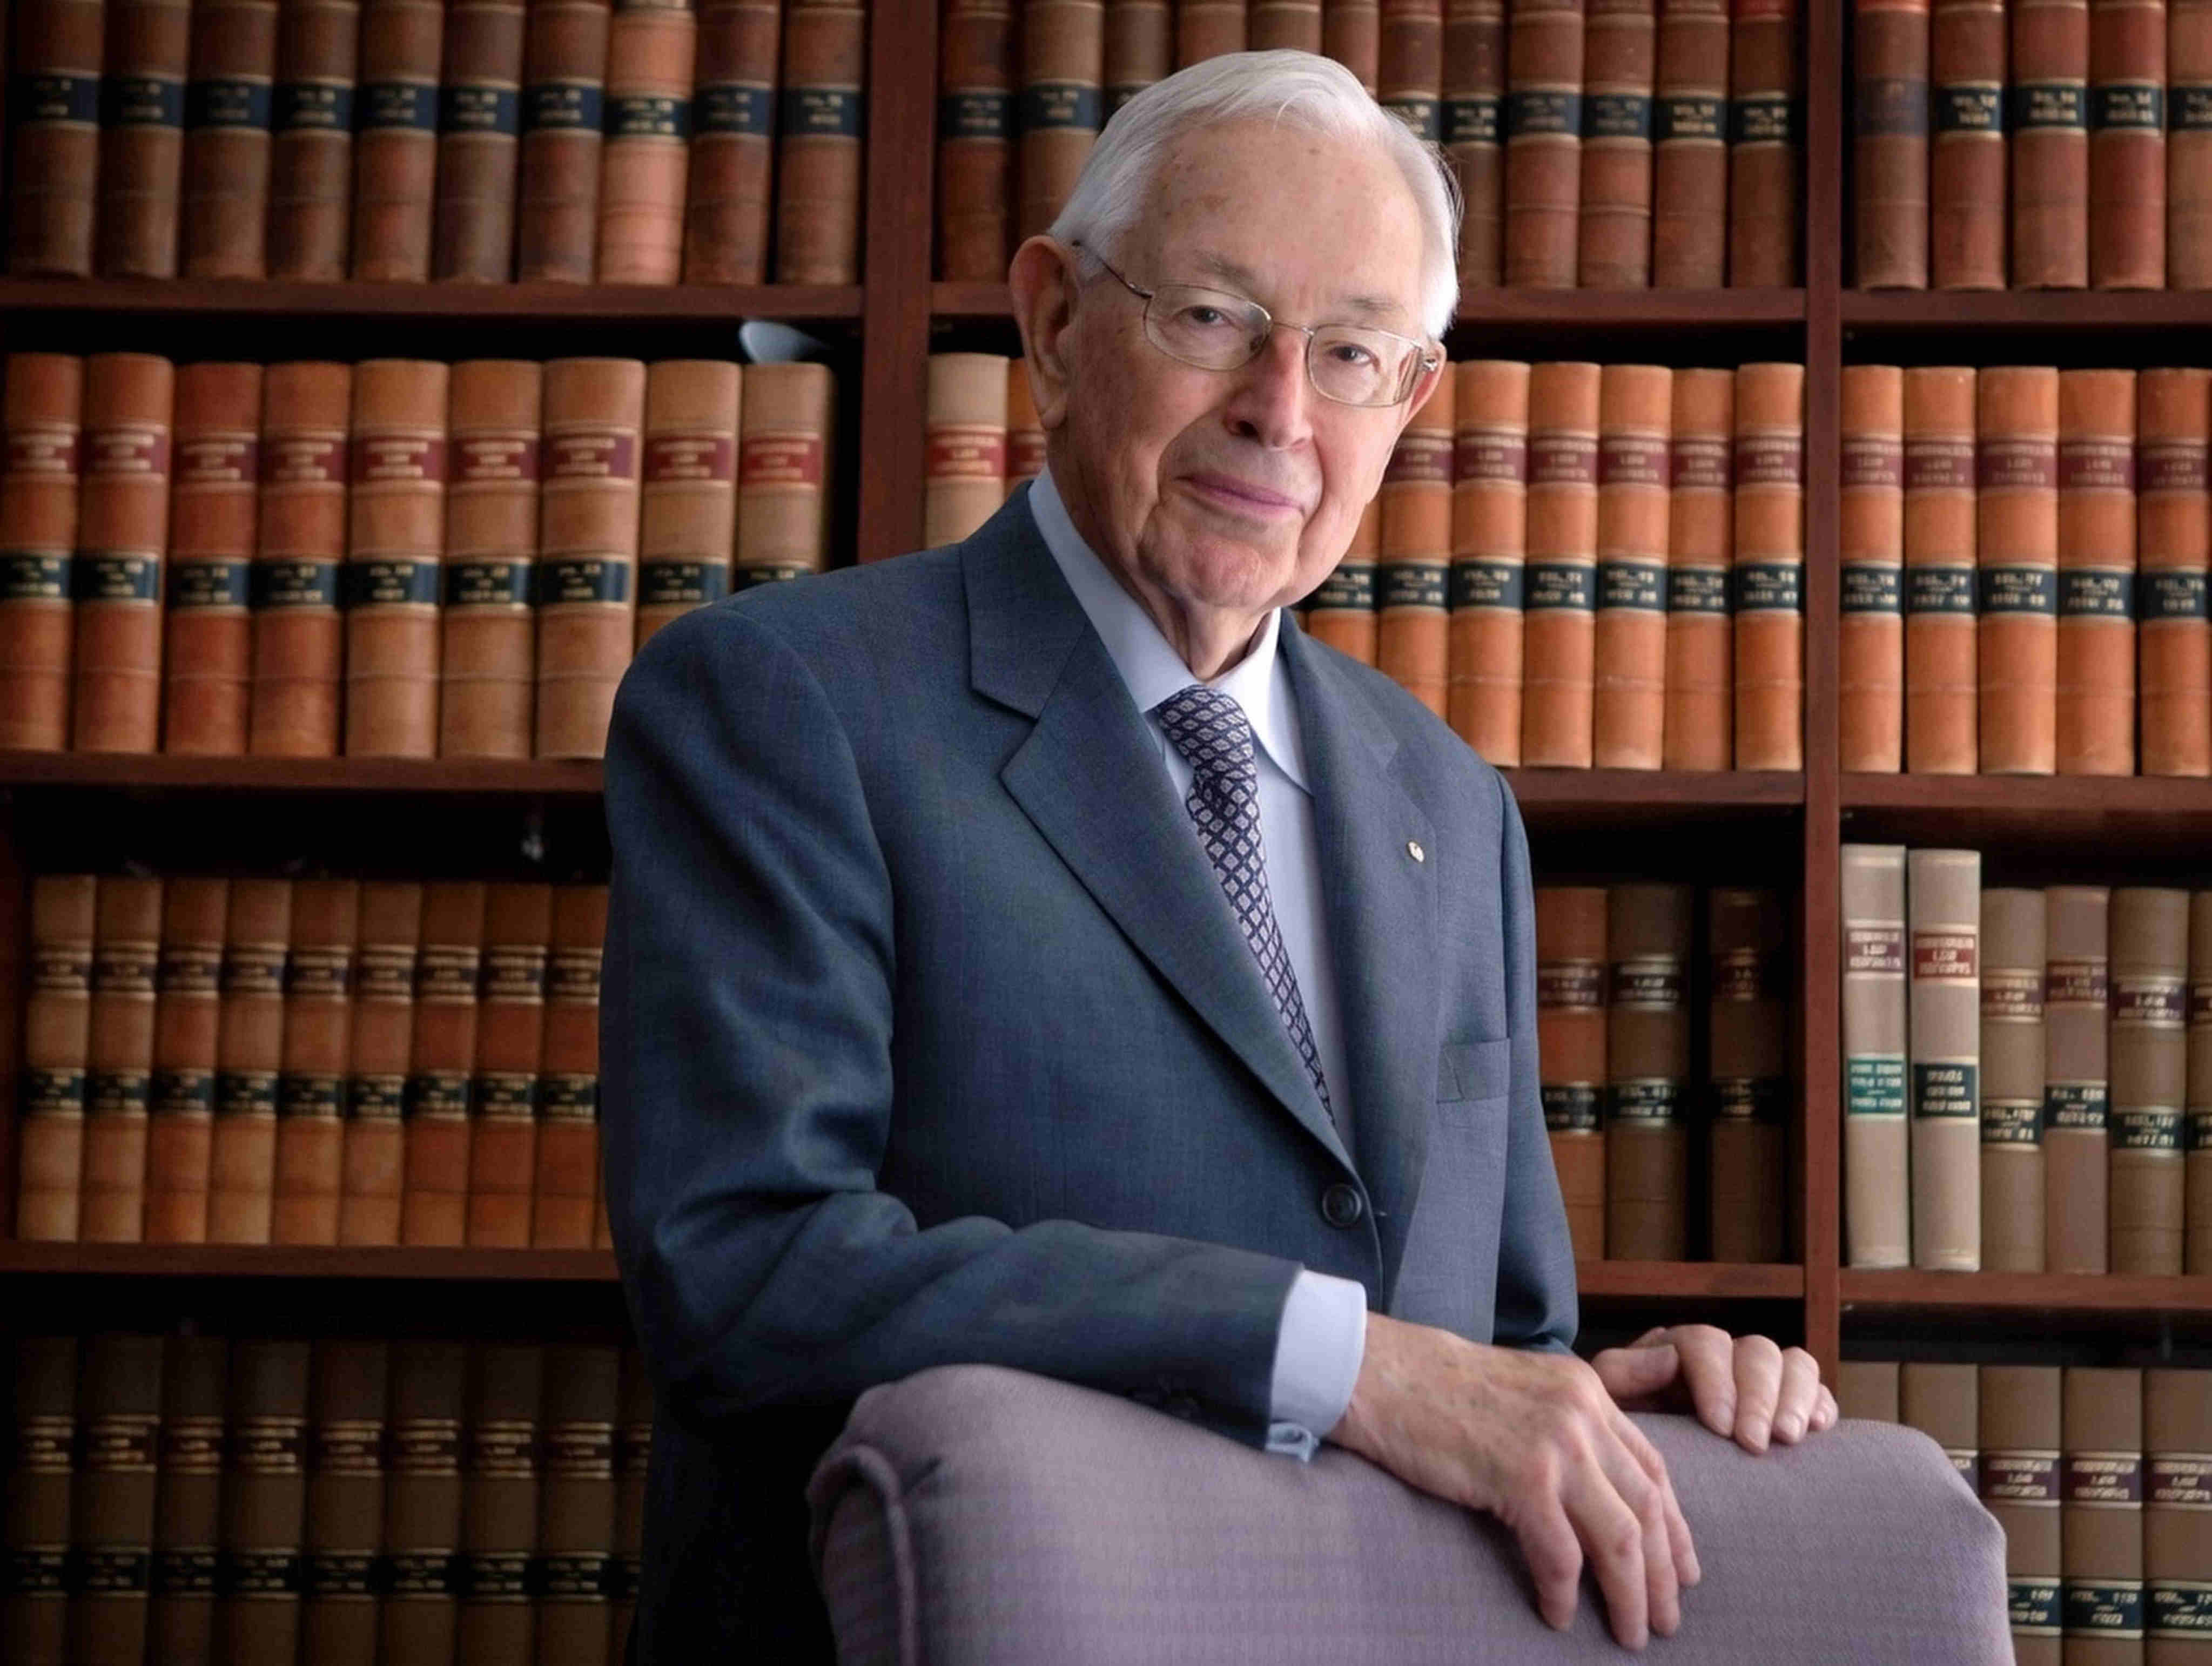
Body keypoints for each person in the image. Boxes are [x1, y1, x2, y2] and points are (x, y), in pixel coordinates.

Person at [599, 48, 1837, 1665]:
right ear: (1051, 323)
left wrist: (1580, 1403)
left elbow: (1491, 1338)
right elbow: (748, 1272)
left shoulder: (1452, 802)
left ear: (1412, 400)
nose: (1279, 408)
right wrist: (1351, 1365)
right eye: (1210, 319)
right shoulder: (784, 704)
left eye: (1349, 354)